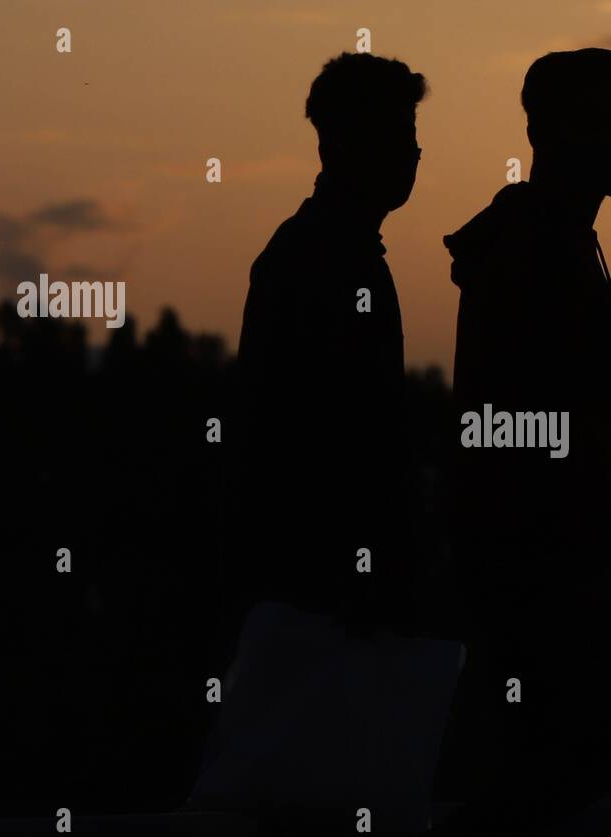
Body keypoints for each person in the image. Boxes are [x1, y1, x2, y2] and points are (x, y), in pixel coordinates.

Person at [433, 48, 611, 837]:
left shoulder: (555, 242)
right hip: (544, 578)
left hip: (551, 570)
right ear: (554, 131)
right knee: (552, 788)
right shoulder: (537, 252)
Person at [230, 52, 428, 641]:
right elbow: (309, 439)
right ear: (340, 144)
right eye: (396, 134)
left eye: (411, 135)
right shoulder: (317, 258)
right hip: (322, 600)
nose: (412, 154)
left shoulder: (332, 250)